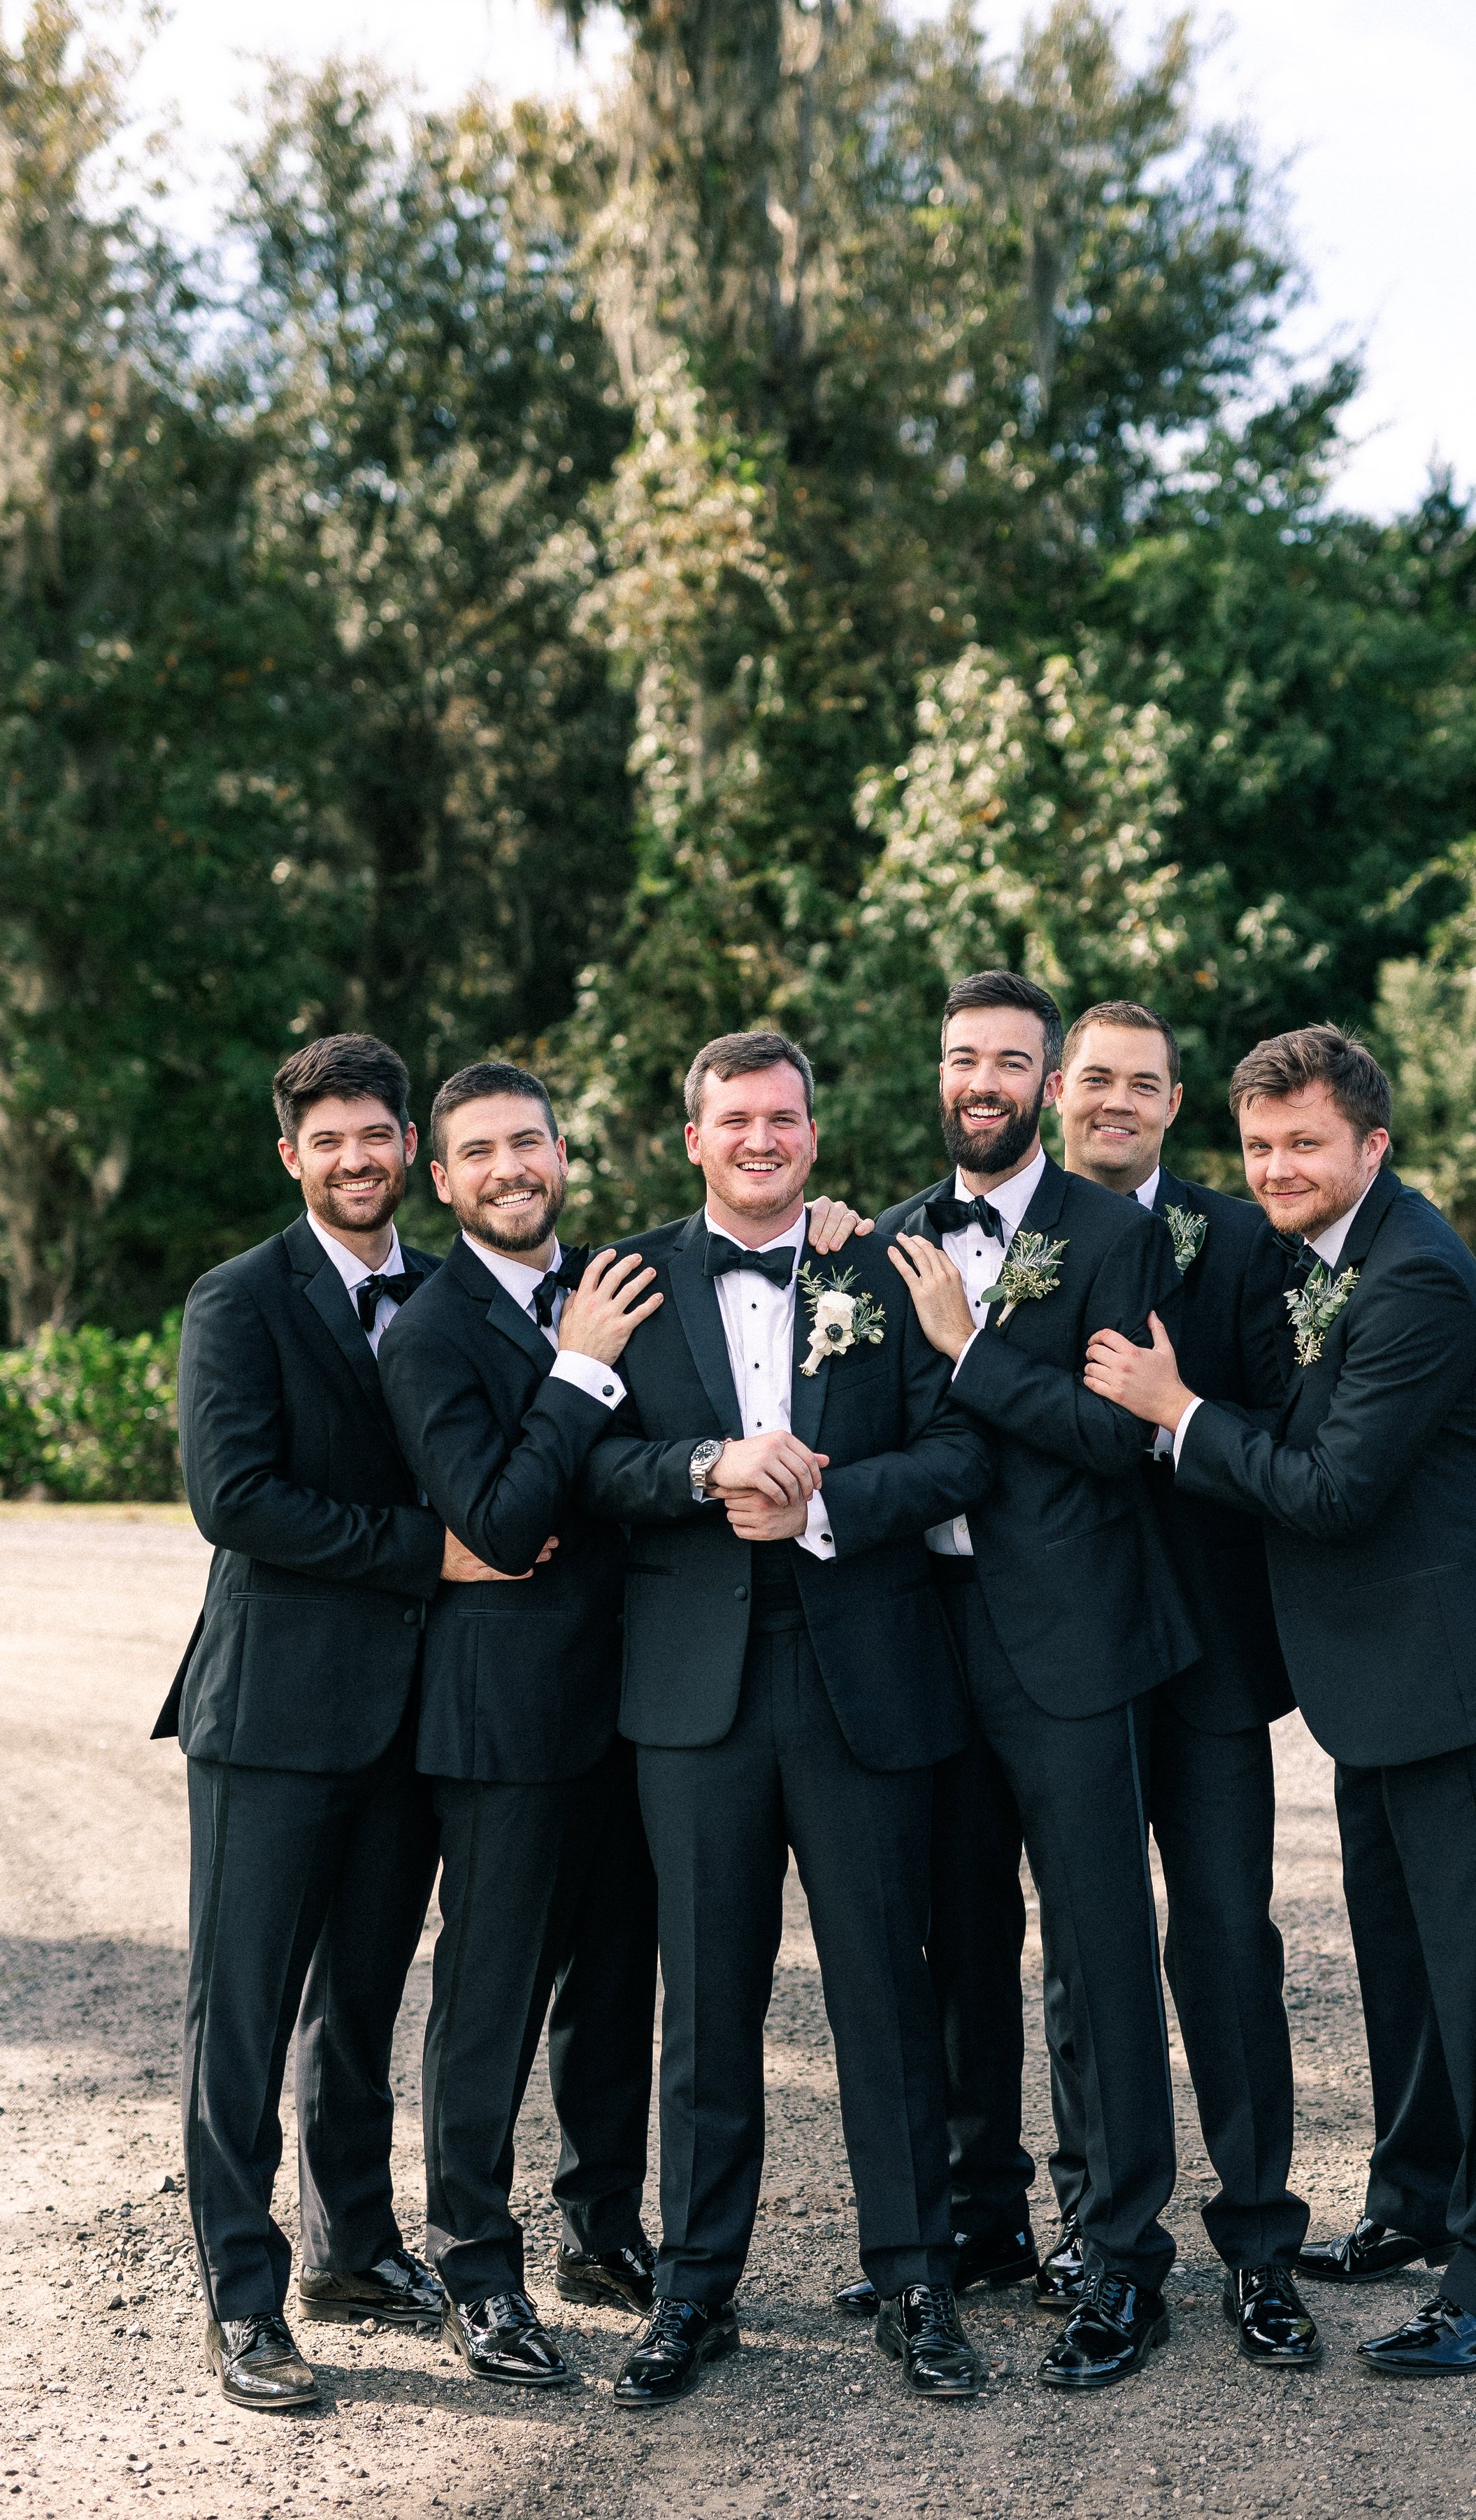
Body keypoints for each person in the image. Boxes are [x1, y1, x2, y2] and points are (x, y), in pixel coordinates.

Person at [1084, 1023, 1476, 2377]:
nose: (1274, 1168)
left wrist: (1177, 1411)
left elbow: (1334, 1490)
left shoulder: (1415, 1278)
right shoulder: (1323, 1259)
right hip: (1378, 1691)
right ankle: (1415, 2202)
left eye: (1303, 1143)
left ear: (1372, 1144)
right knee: (1402, 1964)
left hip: (1463, 1684)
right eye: (1257, 1145)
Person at [584, 1031, 993, 2409]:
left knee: (885, 1987)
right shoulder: (626, 1279)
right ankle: (693, 2291)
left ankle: (917, 2283)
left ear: (814, 1135)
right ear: (691, 1139)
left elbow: (958, 1450)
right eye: (735, 1120)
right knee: (706, 2000)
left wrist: (822, 1505)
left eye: (783, 1118)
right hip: (692, 1689)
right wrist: (708, 1468)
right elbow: (588, 1461)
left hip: (857, 1671)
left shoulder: (883, 1269)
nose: (760, 1139)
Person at [159, 1034, 504, 2414]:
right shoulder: (239, 1299)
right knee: (241, 2016)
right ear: (290, 1156)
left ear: (411, 1147)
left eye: (376, 1135)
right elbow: (234, 1497)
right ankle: (241, 2298)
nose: (356, 1159)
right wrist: (429, 1553)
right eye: (329, 1140)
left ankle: (351, 2248)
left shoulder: (451, 1291)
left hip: (410, 1717)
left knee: (360, 2001)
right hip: (272, 1713)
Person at [878, 971, 1199, 2393]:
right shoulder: (890, 1241)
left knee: (1096, 1945)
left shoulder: (1115, 1237)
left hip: (1070, 1638)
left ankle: (1121, 2254)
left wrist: (970, 1346)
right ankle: (980, 2220)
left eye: (1013, 1061)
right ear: (939, 1074)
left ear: (1050, 1085)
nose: (985, 1082)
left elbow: (1114, 1438)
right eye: (965, 1058)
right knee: (955, 1941)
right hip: (924, 1638)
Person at [1038, 999, 1319, 2369]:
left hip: (1205, 1644)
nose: (1116, 1101)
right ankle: (1105, 2239)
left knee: (1224, 1936)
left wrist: (1170, 1414)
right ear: (1057, 1091)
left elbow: (1283, 1426)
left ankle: (1261, 2245)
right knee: (1085, 1955)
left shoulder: (1241, 1242)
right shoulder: (1004, 1241)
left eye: (1141, 1084)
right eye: (1095, 1078)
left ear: (1171, 1105)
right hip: (1064, 1649)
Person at [377, 1061, 663, 2390]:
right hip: (501, 1716)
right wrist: (580, 1368)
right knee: (489, 1997)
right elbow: (494, 1519)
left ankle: (602, 2229)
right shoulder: (429, 1332)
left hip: (640, 1701)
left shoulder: (619, 1278)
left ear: (562, 1150)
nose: (510, 1168)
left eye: (529, 1142)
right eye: (480, 1151)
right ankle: (477, 2266)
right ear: (442, 1178)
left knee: (615, 1988)